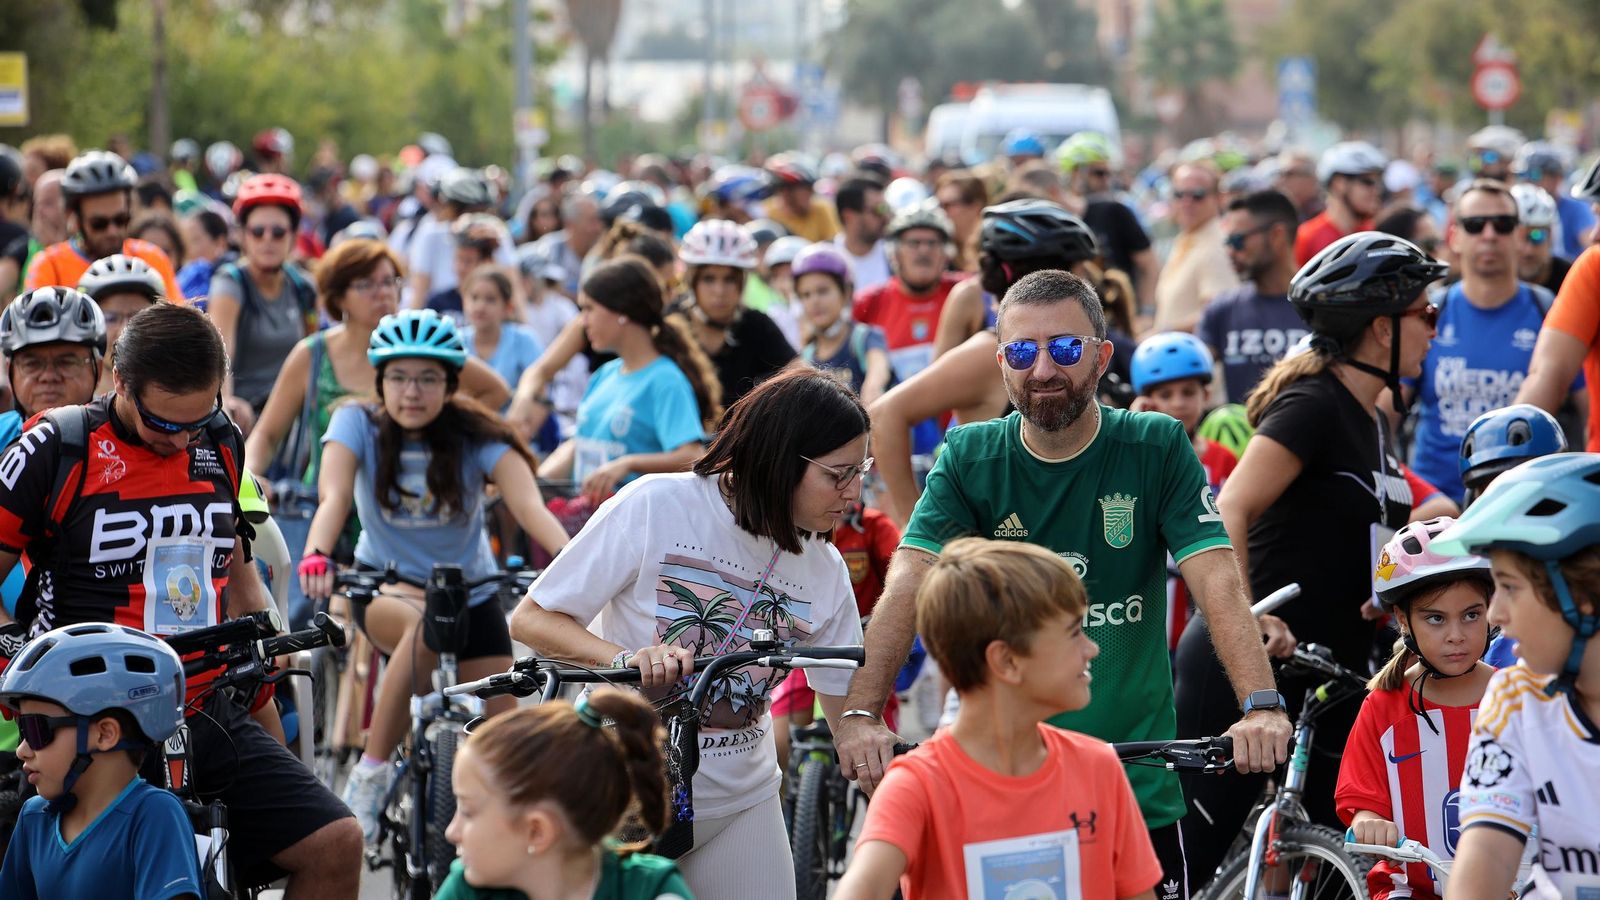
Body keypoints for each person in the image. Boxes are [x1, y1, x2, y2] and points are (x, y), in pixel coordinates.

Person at [839, 269, 1292, 900]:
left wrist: (1261, 704)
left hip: (1134, 783)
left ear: (1103, 356)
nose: (1044, 368)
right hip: (1002, 788)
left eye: (1067, 348)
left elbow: (1217, 579)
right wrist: (862, 712)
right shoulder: (969, 454)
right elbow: (909, 580)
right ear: (1001, 363)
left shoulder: (1154, 443)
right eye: (1023, 352)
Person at [0, 302, 362, 894]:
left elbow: (242, 577)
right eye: (162, 424)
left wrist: (267, 660)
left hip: (201, 700)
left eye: (197, 419)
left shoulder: (219, 441)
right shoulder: (56, 445)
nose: (179, 440)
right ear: (120, 380)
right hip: (91, 715)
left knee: (336, 843)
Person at [511, 369, 869, 900]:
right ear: (779, 459)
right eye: (838, 474)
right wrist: (626, 658)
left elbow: (845, 707)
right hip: (626, 790)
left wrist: (865, 736)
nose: (855, 493)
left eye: (861, 470)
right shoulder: (657, 503)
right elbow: (533, 618)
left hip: (745, 800)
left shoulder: (827, 568)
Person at [1182, 232, 1445, 885]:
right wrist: (1245, 619)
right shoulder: (1315, 404)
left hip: (1328, 673)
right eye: (1428, 316)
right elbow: (1230, 506)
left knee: (1336, 867)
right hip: (1247, 660)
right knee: (1185, 869)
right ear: (1381, 330)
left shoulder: (1371, 421)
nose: (1437, 331)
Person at [299, 309, 568, 842]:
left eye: (428, 378)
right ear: (380, 382)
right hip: (386, 587)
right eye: (398, 377)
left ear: (451, 384)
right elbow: (332, 497)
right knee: (424, 626)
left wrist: (573, 561)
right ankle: (371, 775)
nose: (411, 391)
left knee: (503, 738)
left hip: (471, 592)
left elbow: (533, 510)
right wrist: (316, 554)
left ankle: (501, 839)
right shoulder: (356, 423)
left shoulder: (479, 435)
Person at [835, 538, 1161, 900]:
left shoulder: (1099, 768)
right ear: (1006, 661)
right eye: (1073, 632)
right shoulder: (918, 786)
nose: (1092, 648)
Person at [874, 201, 1135, 526]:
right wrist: (914, 530)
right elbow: (885, 414)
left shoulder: (1073, 344)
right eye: (1073, 273)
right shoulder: (991, 353)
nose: (1084, 283)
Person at [1430, 454, 1600, 900]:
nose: (1495, 614)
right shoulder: (1514, 698)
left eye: (1509, 587)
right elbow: (1484, 861)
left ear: (1583, 595)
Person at [247, 239, 511, 499]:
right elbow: (267, 434)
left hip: (407, 507)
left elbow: (495, 390)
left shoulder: (417, 347)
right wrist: (249, 479)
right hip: (322, 503)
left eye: (389, 281)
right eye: (366, 284)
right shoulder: (312, 354)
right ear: (339, 297)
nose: (383, 292)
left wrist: (451, 434)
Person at [1336, 520, 1497, 900]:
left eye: (1471, 615)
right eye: (1436, 618)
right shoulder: (1383, 706)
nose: (1456, 634)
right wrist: (1370, 822)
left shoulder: (1517, 696)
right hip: (1410, 889)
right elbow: (1361, 802)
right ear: (1403, 620)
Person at [0, 624, 202, 900]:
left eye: (36, 730)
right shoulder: (33, 819)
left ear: (105, 734)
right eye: (22, 732)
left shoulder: (154, 816)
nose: (22, 750)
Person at [1406, 180, 1574, 505]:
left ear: (1517, 234)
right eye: (1474, 225)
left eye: (1503, 224)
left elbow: (1588, 407)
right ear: (1454, 237)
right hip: (1438, 510)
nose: (1489, 235)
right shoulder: (1429, 314)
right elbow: (1383, 418)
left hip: (1523, 506)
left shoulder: (1550, 311)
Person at [435, 690, 693, 900]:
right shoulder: (466, 888)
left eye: (468, 812)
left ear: (537, 831)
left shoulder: (648, 890)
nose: (451, 831)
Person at [539, 256, 719, 504]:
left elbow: (692, 456)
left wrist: (628, 464)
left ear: (621, 311)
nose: (583, 321)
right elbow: (579, 444)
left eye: (589, 308)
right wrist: (531, 484)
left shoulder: (665, 380)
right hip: (590, 525)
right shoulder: (604, 375)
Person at [1131, 332, 1238, 650]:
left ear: (1206, 394)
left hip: (1205, 598)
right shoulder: (1141, 453)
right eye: (1166, 394)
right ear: (1148, 400)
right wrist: (1137, 431)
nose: (1178, 403)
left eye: (1188, 392)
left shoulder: (1222, 458)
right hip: (1153, 601)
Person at [852, 201, 966, 451]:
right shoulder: (868, 303)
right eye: (913, 243)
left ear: (946, 253)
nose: (923, 251)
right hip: (890, 440)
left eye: (932, 243)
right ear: (894, 252)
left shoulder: (966, 293)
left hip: (956, 438)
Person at [210, 173, 318, 414]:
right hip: (244, 413)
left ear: (294, 235)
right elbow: (219, 354)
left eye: (278, 232)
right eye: (258, 231)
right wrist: (226, 403)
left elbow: (314, 356)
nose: (268, 240)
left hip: (293, 416)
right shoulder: (230, 283)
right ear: (242, 235)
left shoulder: (304, 287)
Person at [1198, 191, 1312, 405]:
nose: (1230, 251)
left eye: (1238, 240)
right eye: (1227, 242)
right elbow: (1189, 376)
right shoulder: (1222, 309)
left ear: (1277, 235)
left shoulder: (1322, 308)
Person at [670, 218, 797, 408]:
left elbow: (798, 373)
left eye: (729, 280)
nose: (719, 291)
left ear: (742, 283)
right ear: (691, 281)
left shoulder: (757, 324)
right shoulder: (670, 323)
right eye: (708, 279)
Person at [24, 151, 183, 302]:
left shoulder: (151, 259)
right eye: (99, 224)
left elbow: (180, 323)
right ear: (74, 217)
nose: (112, 231)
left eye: (120, 219)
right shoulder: (50, 266)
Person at [1059, 131, 1161, 305]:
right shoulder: (1058, 216)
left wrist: (1146, 313)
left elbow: (1149, 265)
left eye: (1109, 173)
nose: (1107, 179)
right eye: (1099, 173)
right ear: (1075, 173)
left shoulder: (1118, 210)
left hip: (1118, 318)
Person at [793, 242, 893, 407]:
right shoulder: (806, 356)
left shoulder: (865, 338)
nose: (814, 301)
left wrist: (873, 391)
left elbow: (878, 376)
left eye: (823, 291)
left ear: (846, 292)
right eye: (806, 295)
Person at [1154, 161, 1240, 332]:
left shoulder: (1217, 246)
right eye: (1179, 194)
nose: (1186, 202)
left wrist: (1160, 335)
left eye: (1197, 194)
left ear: (1219, 198)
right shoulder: (1189, 237)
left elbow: (1221, 314)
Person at [461, 264, 543, 407]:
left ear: (508, 308)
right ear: (464, 302)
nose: (480, 306)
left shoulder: (524, 340)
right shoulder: (455, 342)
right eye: (474, 298)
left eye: (490, 299)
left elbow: (540, 395)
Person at [1296, 141, 1388, 266]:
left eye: (1378, 182)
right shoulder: (1307, 238)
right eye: (1368, 182)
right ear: (1339, 183)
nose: (1377, 190)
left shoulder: (1376, 234)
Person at [1512, 140, 1596, 262]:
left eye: (1535, 174)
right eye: (1522, 174)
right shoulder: (1510, 207)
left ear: (1557, 178)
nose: (1527, 180)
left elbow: (1592, 245)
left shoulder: (1576, 209)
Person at [427, 213, 510, 319]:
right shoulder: (438, 303)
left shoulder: (499, 304)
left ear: (486, 263)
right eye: (458, 259)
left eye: (468, 261)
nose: (461, 268)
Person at [831, 175, 891, 292]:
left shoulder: (897, 258)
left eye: (885, 208)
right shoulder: (824, 259)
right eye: (878, 210)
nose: (886, 217)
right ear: (849, 216)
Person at [1510, 182, 1571, 296]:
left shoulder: (1572, 277)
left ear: (1551, 236)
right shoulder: (1490, 280)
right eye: (1517, 238)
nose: (1528, 250)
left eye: (1537, 236)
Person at [764, 156, 839, 242]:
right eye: (805, 189)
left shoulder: (821, 209)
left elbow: (832, 243)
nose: (811, 194)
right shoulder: (767, 213)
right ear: (786, 192)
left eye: (811, 189)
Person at [933, 170, 988, 272]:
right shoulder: (942, 251)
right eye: (938, 206)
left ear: (975, 206)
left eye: (947, 205)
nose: (941, 212)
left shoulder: (991, 248)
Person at [175, 209, 234, 301]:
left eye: (195, 240)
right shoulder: (184, 277)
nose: (187, 250)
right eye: (184, 242)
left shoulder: (235, 280)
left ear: (220, 243)